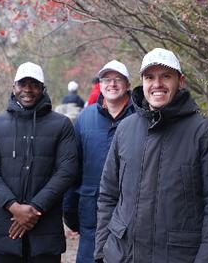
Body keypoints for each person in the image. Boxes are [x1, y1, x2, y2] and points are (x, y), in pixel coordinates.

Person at [95, 48, 208, 263]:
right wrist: (102, 253)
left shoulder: (205, 134)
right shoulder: (125, 129)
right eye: (150, 77)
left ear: (181, 81)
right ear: (142, 82)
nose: (157, 84)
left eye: (166, 76)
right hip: (122, 256)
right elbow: (108, 194)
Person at [0, 62, 78, 263]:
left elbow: (67, 170)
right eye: (22, 84)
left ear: (42, 88)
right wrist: (14, 207)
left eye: (34, 84)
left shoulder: (61, 125)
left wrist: (33, 209)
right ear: (13, 87)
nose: (27, 90)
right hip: (7, 230)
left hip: (46, 229)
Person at [63, 60, 136, 263]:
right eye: (106, 79)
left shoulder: (140, 116)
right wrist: (69, 208)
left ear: (128, 84)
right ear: (100, 84)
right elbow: (73, 168)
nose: (112, 84)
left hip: (132, 213)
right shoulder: (85, 119)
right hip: (90, 212)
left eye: (118, 79)